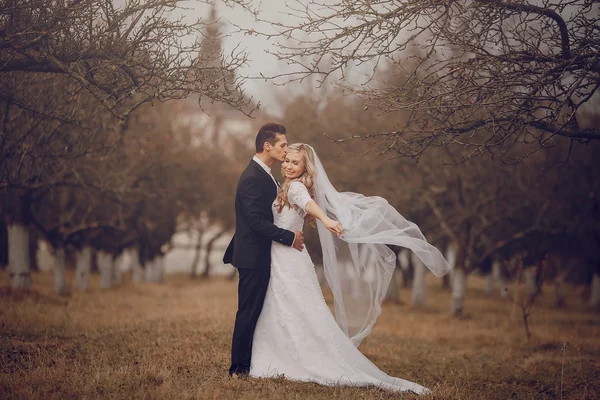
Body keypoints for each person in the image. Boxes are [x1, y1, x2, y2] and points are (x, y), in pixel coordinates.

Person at [249, 143, 451, 394]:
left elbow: (308, 204)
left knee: (294, 306)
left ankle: (292, 357)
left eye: (295, 163)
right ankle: (281, 352)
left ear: (305, 167)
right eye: (287, 161)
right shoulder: (285, 186)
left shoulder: (297, 188)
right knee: (287, 306)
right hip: (285, 254)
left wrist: (325, 218)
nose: (289, 166)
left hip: (288, 258)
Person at [223, 123, 305, 377]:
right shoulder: (251, 177)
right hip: (252, 256)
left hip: (261, 254)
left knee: (256, 310)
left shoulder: (265, 173)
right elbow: (256, 222)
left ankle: (253, 363)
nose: (285, 149)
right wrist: (289, 237)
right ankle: (238, 368)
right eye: (282, 145)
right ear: (267, 146)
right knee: (248, 312)